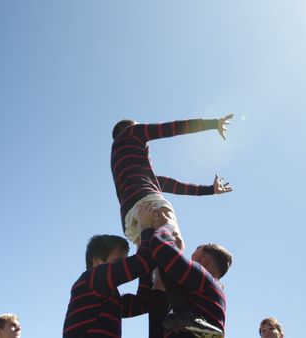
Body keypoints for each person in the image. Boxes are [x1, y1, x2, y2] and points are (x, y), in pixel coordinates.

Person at [111, 115, 234, 335]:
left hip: (131, 220)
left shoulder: (130, 169)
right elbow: (170, 128)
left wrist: (209, 189)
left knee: (158, 273)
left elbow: (170, 184)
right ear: (131, 128)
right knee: (173, 247)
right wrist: (212, 123)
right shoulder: (131, 133)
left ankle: (159, 331)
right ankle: (187, 314)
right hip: (149, 204)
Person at [145, 205, 233, 337]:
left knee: (167, 266)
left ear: (204, 261)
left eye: (193, 257)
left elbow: (160, 247)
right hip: (183, 326)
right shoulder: (205, 294)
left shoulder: (205, 279)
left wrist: (168, 226)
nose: (188, 260)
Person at [62, 232, 156, 338]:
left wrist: (145, 266)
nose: (123, 266)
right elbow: (142, 263)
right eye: (118, 262)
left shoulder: (110, 300)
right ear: (96, 261)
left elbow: (144, 303)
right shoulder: (91, 278)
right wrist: (146, 230)